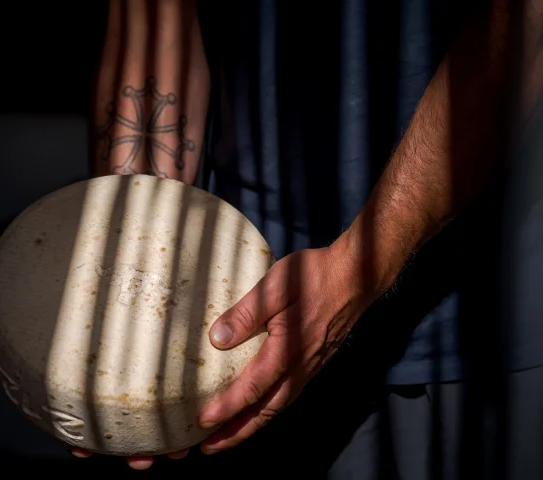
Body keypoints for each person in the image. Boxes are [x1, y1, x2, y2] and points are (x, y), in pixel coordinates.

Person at [78, 0, 543, 477]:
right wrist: (129, 288)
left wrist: (352, 270)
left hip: (472, 316)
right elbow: (157, 25)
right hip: (244, 320)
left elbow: (521, 32)